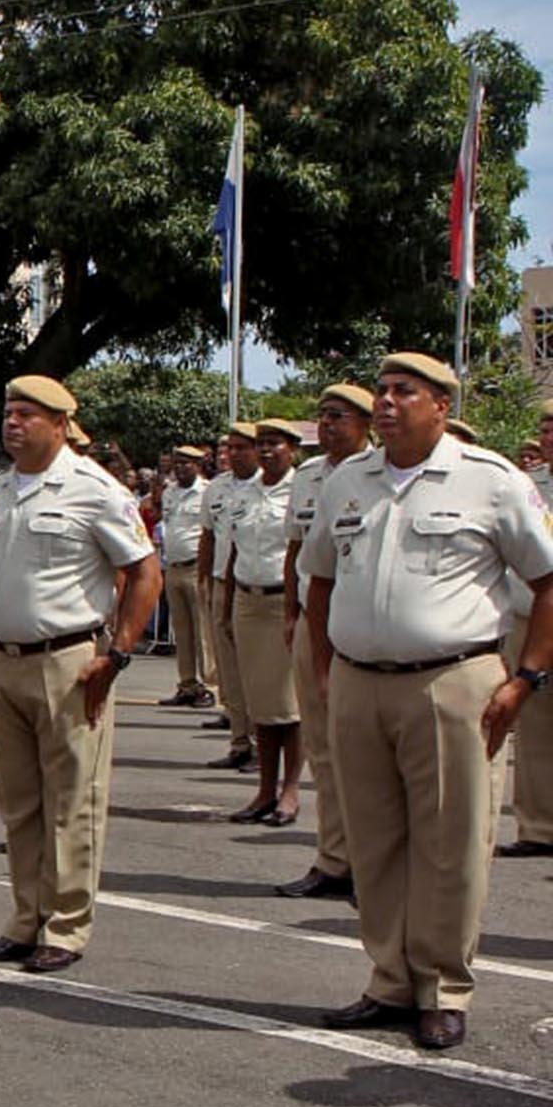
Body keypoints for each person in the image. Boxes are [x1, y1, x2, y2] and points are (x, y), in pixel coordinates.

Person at [300, 353, 553, 1052]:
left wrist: (525, 678)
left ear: (441, 405)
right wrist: (327, 670)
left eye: (403, 392)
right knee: (374, 839)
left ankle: (442, 987)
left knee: (451, 842)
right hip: (359, 679)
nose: (385, 403)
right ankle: (387, 980)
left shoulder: (491, 480)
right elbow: (319, 579)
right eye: (380, 391)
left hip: (453, 678)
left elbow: (548, 577)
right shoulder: (349, 480)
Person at [0, 375, 159, 974]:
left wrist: (118, 653)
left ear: (59, 424)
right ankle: (26, 918)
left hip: (69, 661)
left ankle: (66, 926)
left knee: (73, 800)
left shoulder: (93, 489)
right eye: (8, 412)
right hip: (4, 659)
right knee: (19, 803)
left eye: (26, 414)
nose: (12, 423)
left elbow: (144, 571)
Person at [277, 385, 372, 898]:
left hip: (357, 624)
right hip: (314, 618)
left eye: (339, 416)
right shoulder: (309, 477)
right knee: (322, 743)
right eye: (323, 416)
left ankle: (369, 862)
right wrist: (290, 612)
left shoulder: (377, 474)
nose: (329, 425)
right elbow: (296, 549)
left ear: (365, 423)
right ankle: (334, 859)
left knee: (361, 752)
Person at [222, 420, 304, 825]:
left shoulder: (301, 490)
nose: (267, 451)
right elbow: (234, 550)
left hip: (282, 603)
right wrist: (225, 609)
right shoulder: (244, 493)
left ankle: (290, 791)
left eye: (275, 444)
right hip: (246, 599)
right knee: (260, 705)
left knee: (289, 706)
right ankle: (264, 790)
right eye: (262, 444)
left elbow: (303, 553)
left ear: (293, 450)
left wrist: (296, 610)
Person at [500, 397, 553, 860]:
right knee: (534, 723)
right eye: (548, 428)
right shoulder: (526, 487)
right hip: (532, 613)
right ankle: (538, 826)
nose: (552, 436)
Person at [199, 424, 260, 770]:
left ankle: (260, 742)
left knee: (257, 671)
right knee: (229, 670)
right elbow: (208, 536)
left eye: (241, 448)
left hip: (253, 586)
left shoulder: (271, 487)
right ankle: (239, 741)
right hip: (222, 583)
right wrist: (205, 582)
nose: (232, 455)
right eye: (229, 448)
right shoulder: (217, 489)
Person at [157, 447, 215, 708]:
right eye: (177, 463)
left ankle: (209, 686)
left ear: (198, 465)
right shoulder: (170, 492)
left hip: (196, 567)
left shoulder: (208, 492)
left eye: (186, 464)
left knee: (202, 630)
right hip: (173, 566)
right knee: (182, 632)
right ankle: (187, 683)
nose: (180, 468)